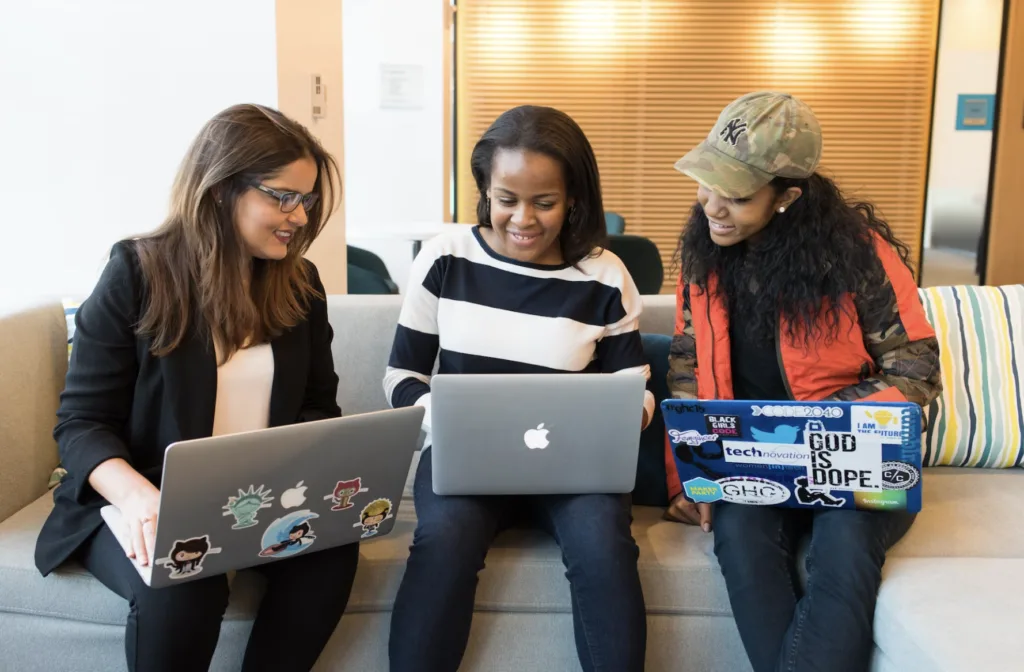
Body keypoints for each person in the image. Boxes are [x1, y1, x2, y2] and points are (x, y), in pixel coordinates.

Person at [34, 103, 358, 672]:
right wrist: (139, 498)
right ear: (219, 189)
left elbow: (315, 407)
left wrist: (322, 480)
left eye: (305, 200)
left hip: (254, 503)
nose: (299, 216)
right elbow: (82, 423)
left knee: (328, 558)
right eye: (282, 196)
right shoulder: (136, 272)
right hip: (140, 501)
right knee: (187, 582)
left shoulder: (300, 285)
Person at [663, 92, 942, 672]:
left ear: (787, 197)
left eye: (735, 195)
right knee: (739, 541)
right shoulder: (703, 256)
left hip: (858, 456)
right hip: (747, 462)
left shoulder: (858, 256)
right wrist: (690, 477)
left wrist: (808, 430)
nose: (711, 205)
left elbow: (916, 370)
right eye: (706, 182)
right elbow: (687, 369)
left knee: (843, 545)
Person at [384, 105, 653, 672]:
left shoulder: (605, 276)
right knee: (443, 543)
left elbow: (637, 390)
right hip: (464, 461)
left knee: (605, 547)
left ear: (574, 197)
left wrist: (627, 414)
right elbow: (401, 377)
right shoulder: (446, 258)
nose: (523, 218)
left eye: (545, 202)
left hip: (575, 469)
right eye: (506, 199)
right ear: (485, 191)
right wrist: (443, 414)